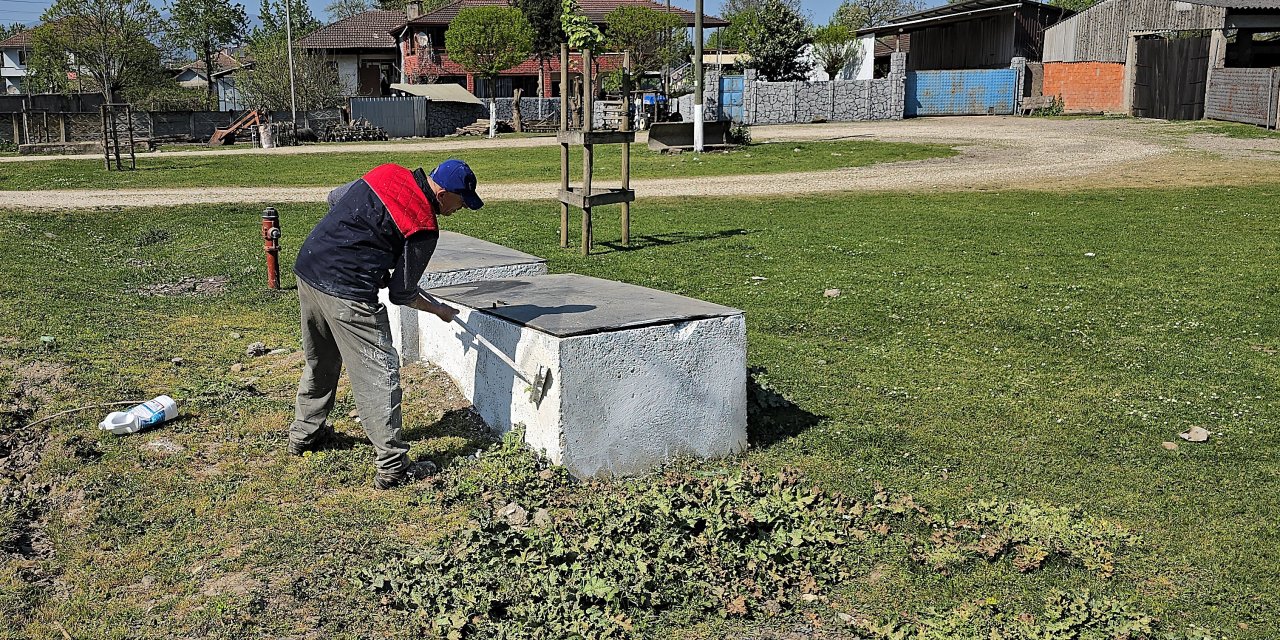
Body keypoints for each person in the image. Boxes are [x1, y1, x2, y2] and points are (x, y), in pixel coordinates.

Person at [288, 160, 484, 489]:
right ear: (444, 194)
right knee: (380, 373)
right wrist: (438, 310)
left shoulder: (388, 173)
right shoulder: (423, 225)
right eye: (461, 201)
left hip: (310, 268)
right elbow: (403, 293)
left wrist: (368, 244)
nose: (461, 208)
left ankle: (305, 435)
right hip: (346, 290)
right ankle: (393, 466)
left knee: (322, 359)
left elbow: (335, 197)